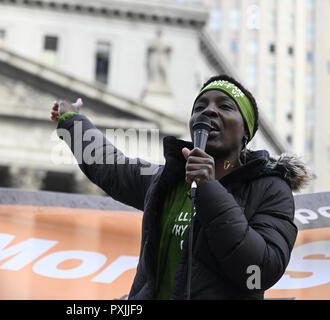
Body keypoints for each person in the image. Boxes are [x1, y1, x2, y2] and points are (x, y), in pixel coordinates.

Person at [49, 75, 311, 300]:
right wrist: (73, 122)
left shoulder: (270, 190)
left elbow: (260, 269)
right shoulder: (166, 180)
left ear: (246, 133)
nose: (208, 111)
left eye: (225, 106)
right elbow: (111, 166)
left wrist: (209, 188)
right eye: (200, 106)